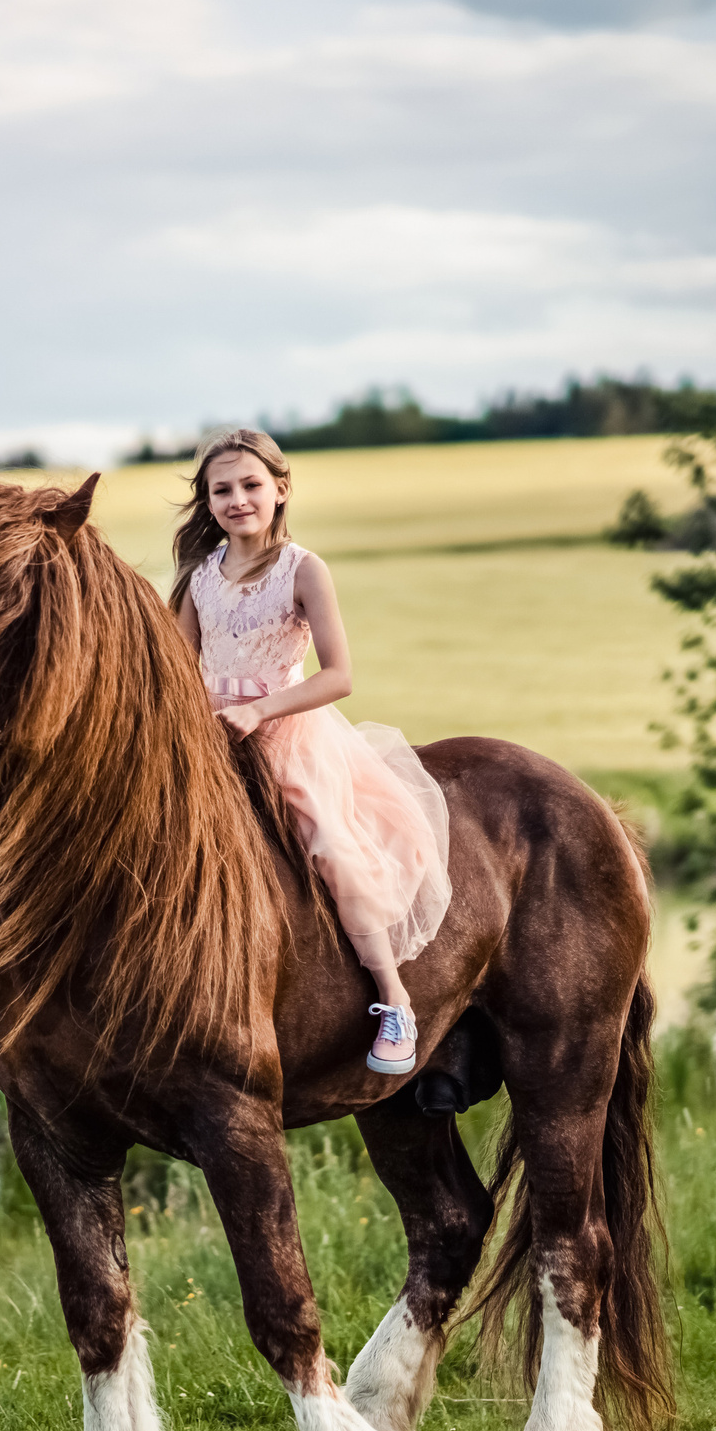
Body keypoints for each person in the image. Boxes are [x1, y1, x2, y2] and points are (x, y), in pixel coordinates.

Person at [171, 428, 451, 1074]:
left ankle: (394, 1000)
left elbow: (338, 676)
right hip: (209, 735)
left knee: (330, 846)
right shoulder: (199, 579)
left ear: (280, 489)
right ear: (207, 502)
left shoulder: (303, 570)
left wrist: (259, 709)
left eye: (250, 485)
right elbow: (178, 669)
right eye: (222, 490)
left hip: (288, 731)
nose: (237, 499)